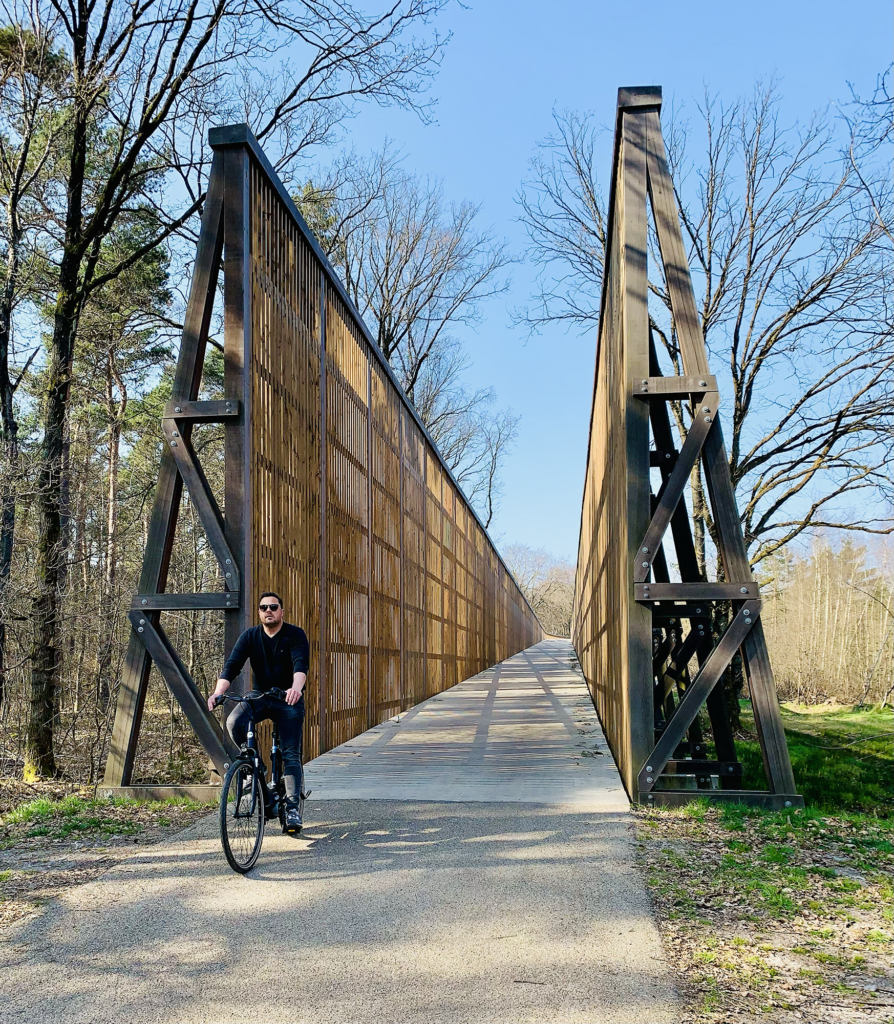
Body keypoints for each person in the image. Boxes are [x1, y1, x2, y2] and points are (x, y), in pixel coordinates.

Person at [208, 591, 309, 833]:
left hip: (287, 698)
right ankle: (256, 769)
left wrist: (296, 689)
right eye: (264, 607)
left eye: (273, 607)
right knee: (234, 723)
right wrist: (217, 692)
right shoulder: (251, 636)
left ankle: (292, 808)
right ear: (260, 612)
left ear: (281, 611)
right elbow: (232, 666)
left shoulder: (295, 635)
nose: (268, 611)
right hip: (261, 695)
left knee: (291, 753)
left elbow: (300, 664)